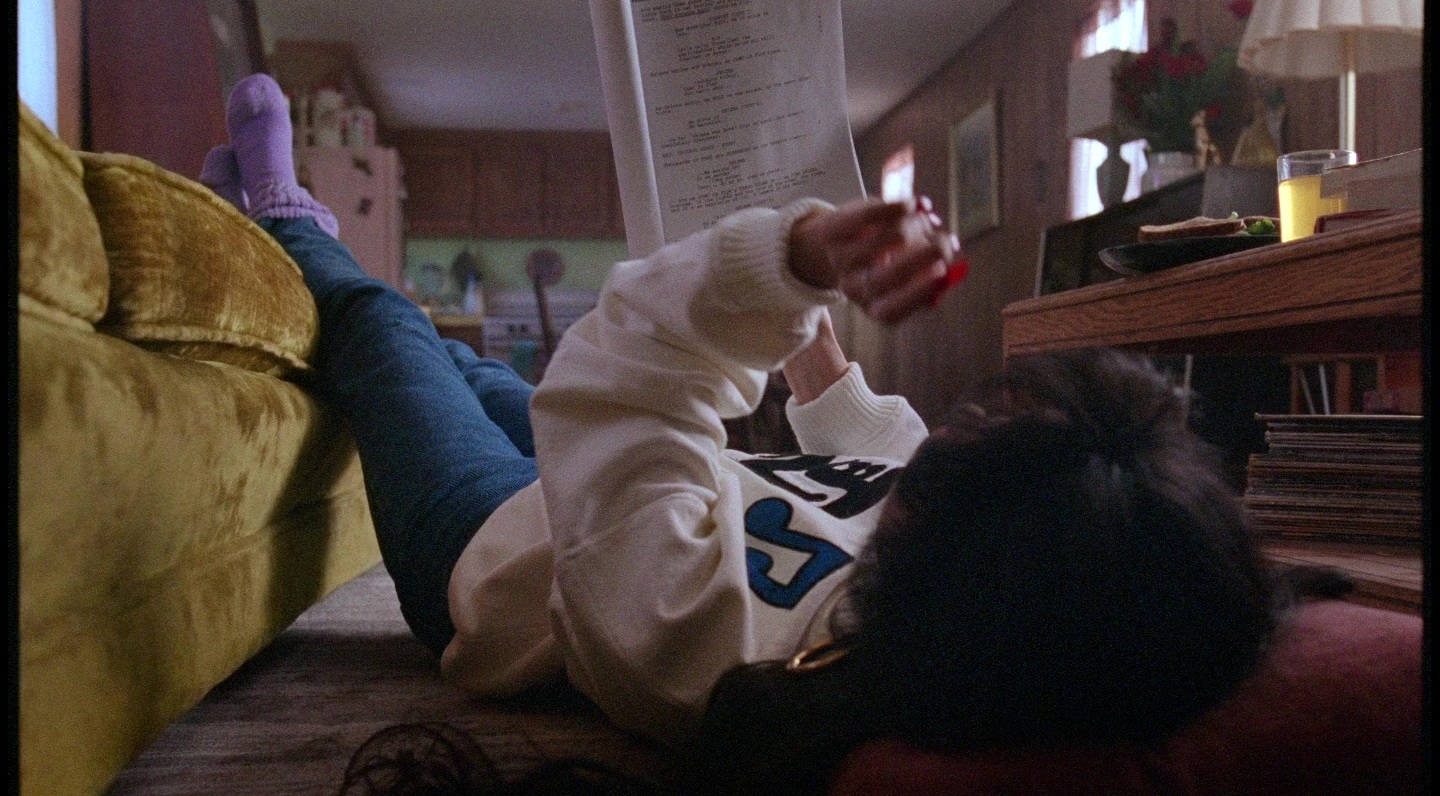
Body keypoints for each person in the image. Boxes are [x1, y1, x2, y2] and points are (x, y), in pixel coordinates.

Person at [206, 74, 1334, 796]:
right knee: (470, 368)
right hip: (632, 470)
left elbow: (617, 382)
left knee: (385, 331)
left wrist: (786, 258)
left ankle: (286, 217)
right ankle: (252, 212)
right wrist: (818, 341)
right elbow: (877, 448)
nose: (945, 433)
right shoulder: (995, 565)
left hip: (496, 546)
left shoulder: (695, 640)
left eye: (969, 436)